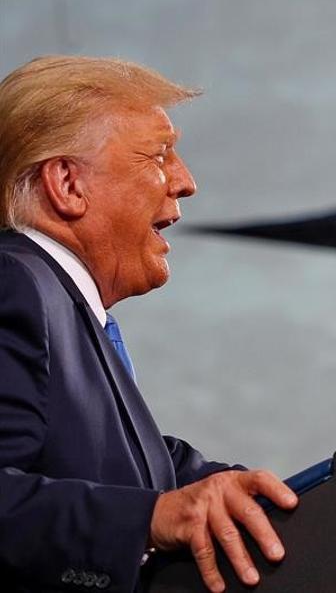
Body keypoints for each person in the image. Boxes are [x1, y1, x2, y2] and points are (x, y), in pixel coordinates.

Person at [0, 56, 298, 593]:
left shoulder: (70, 316)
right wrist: (150, 520)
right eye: (159, 155)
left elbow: (159, 470)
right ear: (68, 184)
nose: (186, 182)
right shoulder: (14, 282)